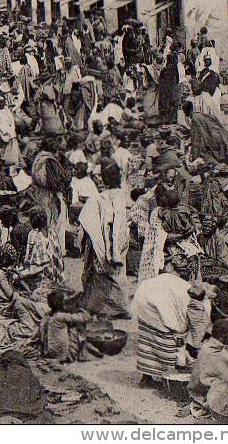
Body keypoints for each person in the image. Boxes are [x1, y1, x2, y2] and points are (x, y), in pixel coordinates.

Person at [78, 160, 130, 319]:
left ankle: (108, 308)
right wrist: (114, 250)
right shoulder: (119, 196)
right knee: (113, 275)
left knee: (103, 274)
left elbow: (88, 220)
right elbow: (119, 225)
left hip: (104, 240)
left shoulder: (102, 197)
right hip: (111, 241)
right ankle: (114, 308)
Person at [130, 262, 192, 384]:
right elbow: (183, 317)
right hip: (151, 308)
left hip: (144, 308)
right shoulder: (185, 288)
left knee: (147, 345)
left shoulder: (169, 279)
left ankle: (147, 377)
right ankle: (167, 378)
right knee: (168, 347)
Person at [182, 101, 228, 171]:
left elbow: (199, 136)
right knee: (225, 153)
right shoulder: (201, 114)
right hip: (221, 133)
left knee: (205, 154)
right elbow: (214, 120)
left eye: (184, 112)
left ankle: (220, 167)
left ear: (186, 111)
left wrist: (195, 151)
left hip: (215, 136)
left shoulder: (195, 119)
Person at [40, 290, 92, 362]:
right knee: (78, 325)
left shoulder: (47, 316)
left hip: (48, 352)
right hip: (61, 354)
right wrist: (82, 309)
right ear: (61, 303)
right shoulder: (61, 316)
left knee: (67, 325)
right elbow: (85, 318)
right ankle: (82, 354)